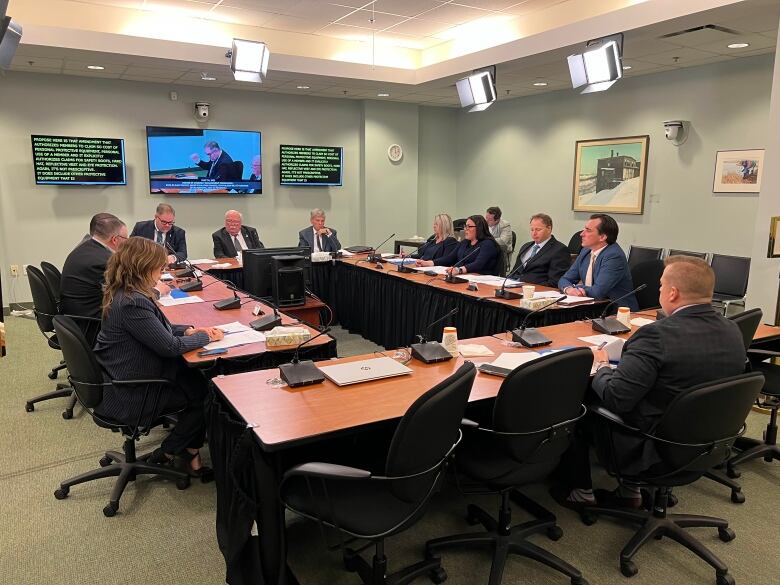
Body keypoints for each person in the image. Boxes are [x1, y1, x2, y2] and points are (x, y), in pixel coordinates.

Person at [553, 256, 746, 509]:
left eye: (661, 286)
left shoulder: (657, 335)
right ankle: (630, 491)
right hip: (706, 439)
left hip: (655, 443)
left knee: (578, 404)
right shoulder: (732, 330)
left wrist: (600, 364)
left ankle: (581, 491)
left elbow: (616, 397)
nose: (660, 291)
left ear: (673, 293)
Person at [93, 237, 224, 478]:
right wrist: (207, 338)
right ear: (143, 267)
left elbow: (156, 328)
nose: (161, 272)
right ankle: (169, 451)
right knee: (208, 394)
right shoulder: (133, 302)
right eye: (159, 267)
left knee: (197, 381)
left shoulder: (126, 293)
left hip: (126, 373)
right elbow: (170, 347)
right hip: (134, 390)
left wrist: (188, 329)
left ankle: (190, 452)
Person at [558, 213, 638, 311]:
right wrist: (569, 289)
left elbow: (598, 292)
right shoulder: (586, 251)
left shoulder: (614, 256)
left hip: (617, 312)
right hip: (592, 308)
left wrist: (576, 287)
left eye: (588, 230)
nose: (581, 234)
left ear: (602, 237)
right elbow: (564, 279)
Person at [61, 213, 128, 320]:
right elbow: (126, 295)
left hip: (75, 316)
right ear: (115, 239)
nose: (127, 243)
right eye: (126, 239)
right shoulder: (105, 261)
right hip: (91, 322)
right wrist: (156, 291)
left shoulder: (86, 246)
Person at [416, 214, 499, 276]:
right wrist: (428, 263)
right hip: (463, 277)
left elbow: (478, 264)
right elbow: (449, 258)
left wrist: (459, 270)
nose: (465, 229)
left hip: (482, 281)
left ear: (479, 228)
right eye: (465, 226)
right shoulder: (465, 242)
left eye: (469, 227)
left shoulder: (488, 244)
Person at [509, 213, 572, 287]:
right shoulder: (526, 246)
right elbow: (514, 272)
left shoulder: (560, 250)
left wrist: (526, 287)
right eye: (532, 230)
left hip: (536, 291)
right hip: (513, 286)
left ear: (549, 229)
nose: (534, 233)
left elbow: (555, 281)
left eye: (538, 229)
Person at [485, 206, 513, 273]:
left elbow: (503, 242)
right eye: (486, 218)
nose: (486, 221)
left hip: (502, 253)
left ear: (497, 220)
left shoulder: (505, 225)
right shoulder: (485, 224)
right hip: (488, 251)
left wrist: (487, 240)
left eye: (490, 219)